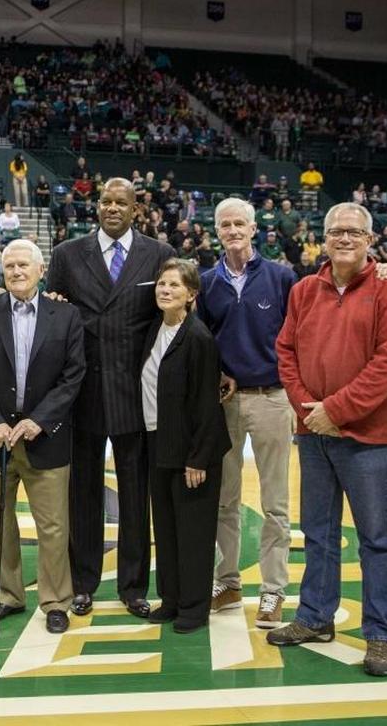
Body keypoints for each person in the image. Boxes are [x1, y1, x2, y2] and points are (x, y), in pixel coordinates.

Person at [270, 202, 387, 678]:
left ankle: (379, 634)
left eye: (354, 231)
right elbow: (285, 350)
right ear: (323, 239)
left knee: (374, 539)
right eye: (336, 231)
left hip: (367, 437)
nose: (345, 238)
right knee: (318, 534)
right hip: (313, 432)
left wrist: (337, 410)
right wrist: (309, 408)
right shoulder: (304, 290)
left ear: (370, 240)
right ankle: (314, 617)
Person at [45, 177, 175, 619]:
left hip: (135, 393)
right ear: (96, 206)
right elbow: (54, 314)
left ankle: (133, 586)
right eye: (106, 201)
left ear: (136, 208)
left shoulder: (158, 255)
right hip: (80, 392)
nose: (113, 207)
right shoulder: (65, 254)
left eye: (122, 202)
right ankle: (82, 583)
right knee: (83, 493)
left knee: (137, 495)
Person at [0, 239, 86, 633]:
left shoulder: (66, 316)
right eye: (9, 265)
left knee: (52, 526)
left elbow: (73, 375)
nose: (16, 272)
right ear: (2, 270)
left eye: (23, 265)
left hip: (44, 438)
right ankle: (8, 595)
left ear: (40, 269)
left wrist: (40, 420)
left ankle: (55, 601)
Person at [197, 198, 296, 626]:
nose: (233, 230)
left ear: (255, 228)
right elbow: (202, 343)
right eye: (225, 224)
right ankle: (229, 581)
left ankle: (273, 591)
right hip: (228, 402)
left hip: (274, 397)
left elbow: (298, 337)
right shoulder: (206, 283)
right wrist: (219, 371)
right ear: (215, 230)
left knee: (275, 503)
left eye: (240, 223)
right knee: (225, 500)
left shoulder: (282, 277)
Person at [142, 258, 229, 634]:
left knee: (193, 532)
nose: (165, 290)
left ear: (191, 295)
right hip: (158, 442)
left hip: (192, 451)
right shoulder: (154, 331)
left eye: (175, 286)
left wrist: (199, 458)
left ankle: (194, 607)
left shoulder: (198, 337)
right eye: (162, 284)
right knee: (166, 528)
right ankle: (172, 599)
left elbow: (206, 405)